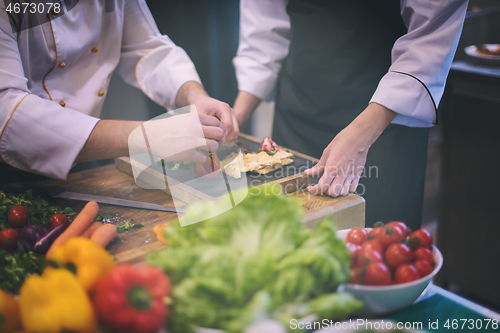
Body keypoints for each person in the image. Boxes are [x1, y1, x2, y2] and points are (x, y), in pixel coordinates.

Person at [232, 0, 468, 229]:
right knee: (290, 235)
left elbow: (430, 35)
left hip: (383, 121)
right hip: (298, 111)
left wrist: (364, 132)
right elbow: (264, 32)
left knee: (375, 247)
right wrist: (236, 120)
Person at [0, 0, 239, 180]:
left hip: (86, 159)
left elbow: (148, 49)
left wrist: (194, 95)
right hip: (12, 171)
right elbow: (9, 111)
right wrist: (146, 136)